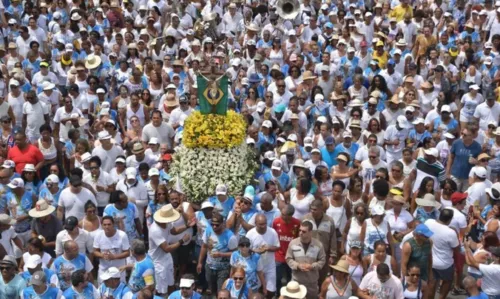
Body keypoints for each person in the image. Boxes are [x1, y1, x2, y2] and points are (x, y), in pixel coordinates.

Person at [149, 204, 190, 296]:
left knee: (171, 282)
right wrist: (182, 241)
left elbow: (174, 230)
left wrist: (186, 226)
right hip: (157, 261)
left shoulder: (166, 223)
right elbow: (166, 248)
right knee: (161, 289)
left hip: (166, 258)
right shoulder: (155, 230)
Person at [197, 211, 238, 296]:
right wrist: (200, 262)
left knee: (221, 290)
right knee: (210, 286)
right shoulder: (208, 230)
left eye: (217, 225)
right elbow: (204, 246)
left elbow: (236, 253)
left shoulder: (230, 237)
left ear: (223, 224)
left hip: (223, 269)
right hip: (209, 265)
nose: (214, 227)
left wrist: (221, 254)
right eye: (212, 224)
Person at [286, 220, 326, 299]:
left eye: (304, 231)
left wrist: (312, 266)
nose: (300, 233)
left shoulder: (318, 245)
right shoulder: (293, 243)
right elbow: (288, 258)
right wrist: (297, 265)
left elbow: (322, 260)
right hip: (297, 282)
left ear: (310, 232)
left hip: (312, 283)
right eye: (300, 230)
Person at [426, 209, 460, 299]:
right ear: (450, 219)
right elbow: (457, 249)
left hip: (430, 261)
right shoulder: (450, 232)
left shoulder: (429, 222)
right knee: (448, 281)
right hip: (445, 264)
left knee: (432, 282)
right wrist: (456, 233)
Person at [246, 214, 280, 298]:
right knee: (255, 290)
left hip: (269, 266)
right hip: (255, 267)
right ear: (255, 223)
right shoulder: (250, 234)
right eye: (260, 224)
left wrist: (268, 248)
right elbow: (246, 250)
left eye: (265, 223)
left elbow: (277, 247)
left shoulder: (272, 232)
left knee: (271, 291)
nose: (263, 226)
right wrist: (255, 251)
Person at [273, 204, 300, 296]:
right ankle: (278, 295)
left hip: (291, 256)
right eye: (282, 213)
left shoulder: (297, 223)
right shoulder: (276, 222)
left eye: (284, 214)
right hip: (279, 255)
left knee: (291, 278)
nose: (281, 215)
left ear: (290, 215)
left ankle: (289, 295)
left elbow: (298, 239)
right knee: (277, 278)